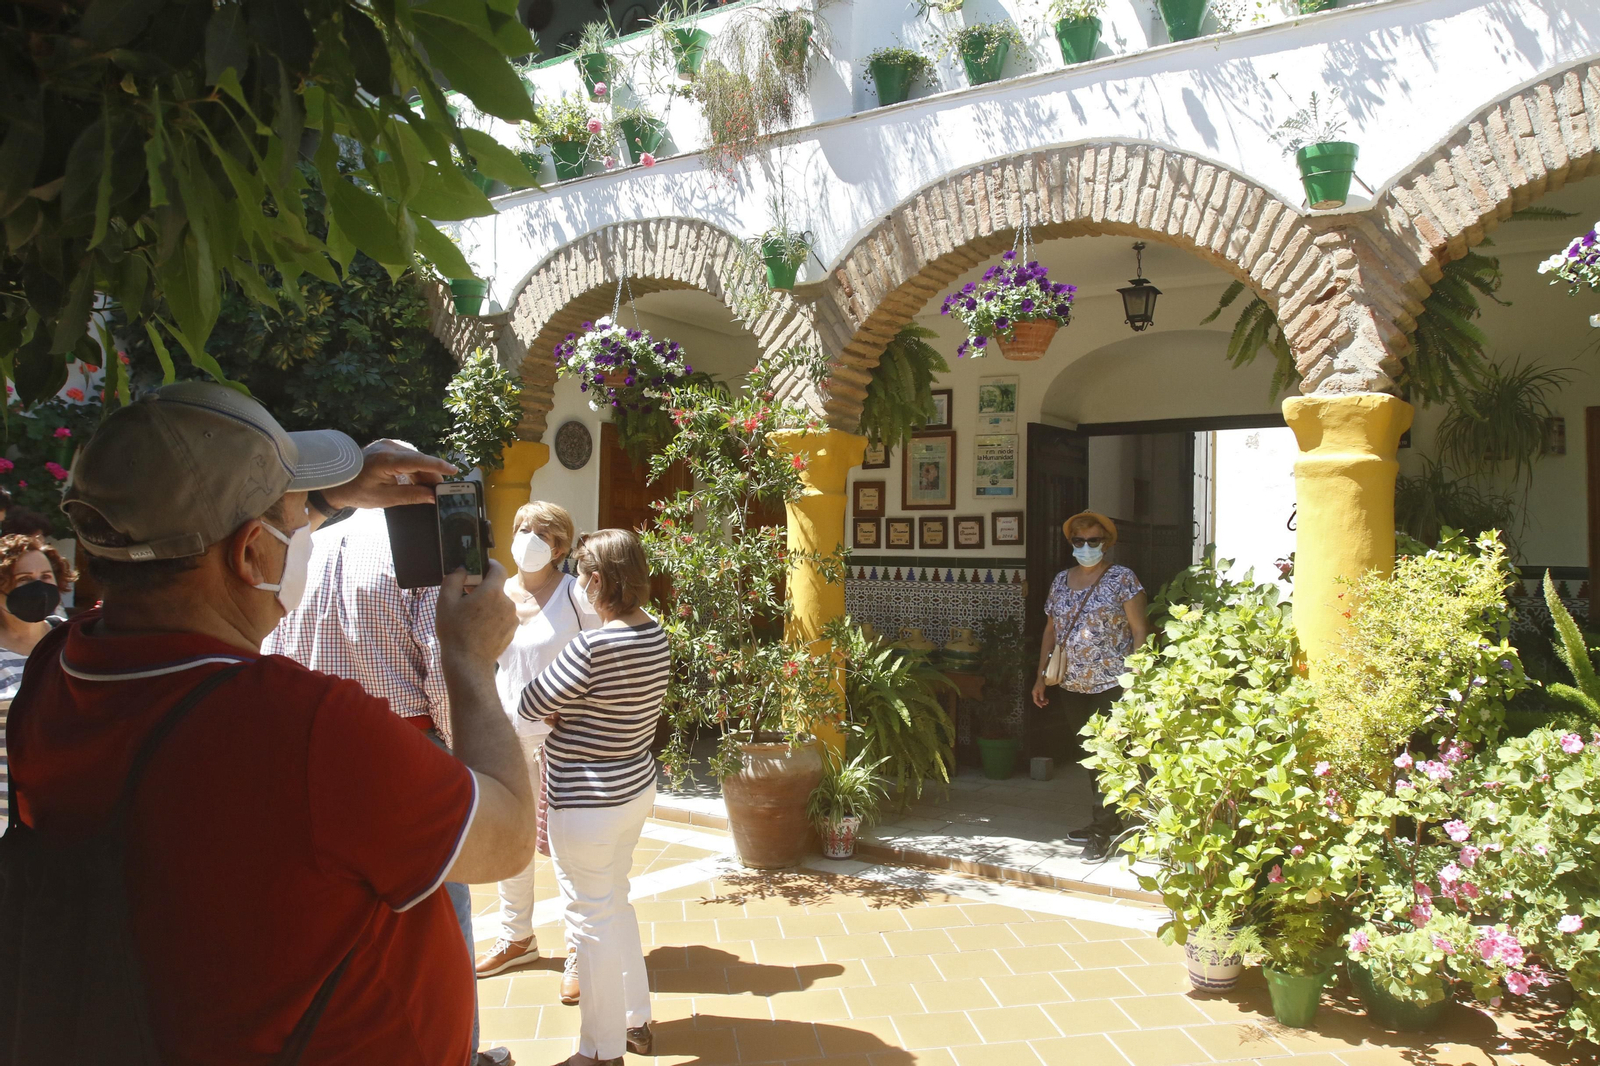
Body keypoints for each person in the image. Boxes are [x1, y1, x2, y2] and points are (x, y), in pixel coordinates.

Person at [7, 381, 531, 1064]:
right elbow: (508, 837)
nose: (303, 533)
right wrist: (468, 656)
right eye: (291, 521)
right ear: (252, 551)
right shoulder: (303, 726)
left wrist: (323, 498)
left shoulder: (57, 670)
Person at [263, 496, 514, 1066]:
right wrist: (466, 762)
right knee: (441, 920)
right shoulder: (424, 562)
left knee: (338, 919)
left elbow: (270, 643)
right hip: (405, 754)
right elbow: (448, 665)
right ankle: (459, 1051)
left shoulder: (311, 545)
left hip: (307, 752)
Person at [520, 529, 668, 1066]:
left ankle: (600, 1051)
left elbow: (532, 699)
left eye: (583, 576)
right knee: (615, 902)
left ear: (599, 581)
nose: (578, 584)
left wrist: (566, 708)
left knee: (590, 920)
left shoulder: (591, 645)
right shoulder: (656, 634)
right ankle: (635, 1019)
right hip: (632, 790)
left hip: (585, 800)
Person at [475, 502, 598, 1003]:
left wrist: (577, 712)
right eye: (521, 527)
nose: (526, 537)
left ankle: (579, 951)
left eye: (539, 532)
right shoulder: (498, 592)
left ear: (561, 547)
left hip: (561, 743)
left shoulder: (575, 596)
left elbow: (601, 658)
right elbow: (483, 660)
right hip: (507, 736)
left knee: (568, 849)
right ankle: (516, 936)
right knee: (513, 840)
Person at [1031, 510, 1151, 862]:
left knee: (1110, 756)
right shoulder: (1060, 581)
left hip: (1113, 683)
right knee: (1090, 757)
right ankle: (1106, 820)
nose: (1086, 547)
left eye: (1093, 541)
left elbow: (1140, 629)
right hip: (1071, 684)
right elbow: (1050, 631)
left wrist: (1137, 677)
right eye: (1078, 541)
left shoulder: (1122, 579)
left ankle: (1101, 831)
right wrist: (1040, 676)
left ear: (1106, 543)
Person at [0, 534, 74, 828]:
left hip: (69, 809)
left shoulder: (75, 640)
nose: (39, 587)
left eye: (46, 576)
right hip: (7, 816)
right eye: (24, 579)